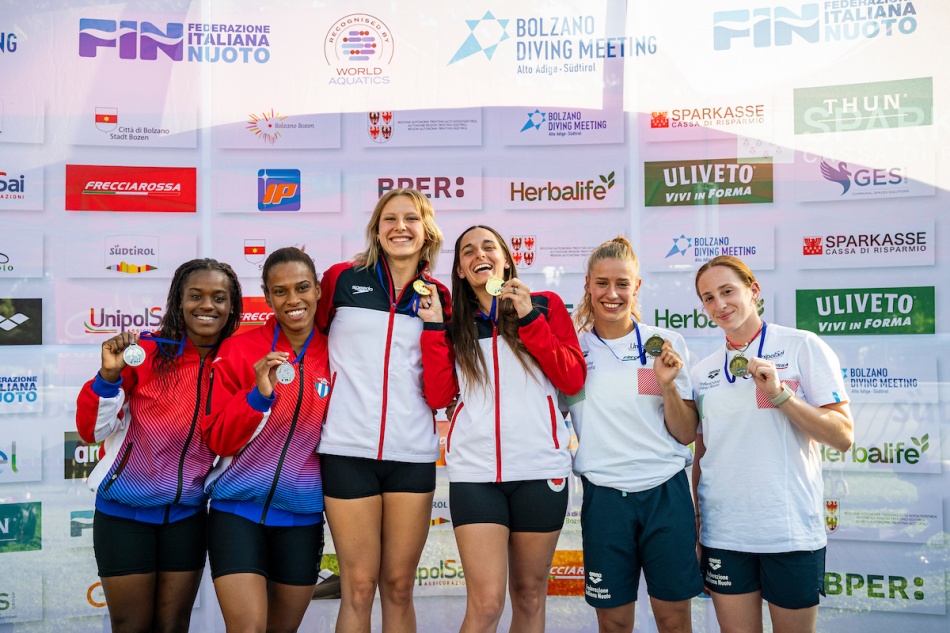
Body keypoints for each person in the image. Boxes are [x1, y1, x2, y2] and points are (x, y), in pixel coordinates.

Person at [426, 225, 586, 633]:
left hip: (538, 470)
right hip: (476, 475)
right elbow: (438, 394)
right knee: (486, 603)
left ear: (506, 259)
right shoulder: (453, 322)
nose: (479, 254)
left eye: (488, 246)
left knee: (530, 595)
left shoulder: (546, 306)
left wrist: (530, 318)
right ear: (460, 270)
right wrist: (431, 331)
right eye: (467, 251)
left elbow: (572, 379)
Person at [75, 258, 243, 633]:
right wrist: (107, 376)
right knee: (131, 625)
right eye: (195, 295)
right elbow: (93, 430)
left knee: (172, 625)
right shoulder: (148, 353)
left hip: (187, 517)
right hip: (124, 514)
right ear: (177, 301)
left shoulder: (234, 362)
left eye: (219, 297)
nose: (207, 305)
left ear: (232, 306)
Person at [691, 255, 854, 633]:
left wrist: (780, 395)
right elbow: (703, 452)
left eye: (728, 291)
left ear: (754, 290)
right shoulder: (702, 372)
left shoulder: (802, 347)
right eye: (709, 298)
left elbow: (843, 436)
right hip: (725, 532)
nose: (720, 305)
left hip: (789, 529)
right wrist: (698, 521)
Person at [315, 188, 452, 632]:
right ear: (376, 229)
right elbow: (310, 350)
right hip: (346, 451)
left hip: (411, 455)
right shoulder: (340, 279)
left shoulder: (439, 296)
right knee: (357, 584)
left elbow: (439, 393)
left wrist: (433, 325)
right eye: (389, 219)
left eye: (411, 219)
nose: (400, 227)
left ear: (425, 231)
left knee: (398, 585)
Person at [567, 236, 703, 633]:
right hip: (606, 498)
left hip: (666, 494)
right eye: (603, 283)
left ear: (637, 287)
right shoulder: (573, 350)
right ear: (588, 285)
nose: (612, 294)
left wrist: (666, 385)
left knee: (674, 620)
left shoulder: (665, 344)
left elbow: (684, 435)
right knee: (613, 623)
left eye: (622, 283)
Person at [201, 247, 332, 633]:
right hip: (236, 512)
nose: (293, 300)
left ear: (319, 290)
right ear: (268, 296)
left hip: (302, 516)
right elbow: (218, 440)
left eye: (302, 287)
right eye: (280, 291)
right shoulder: (240, 349)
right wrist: (258, 397)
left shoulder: (337, 351)